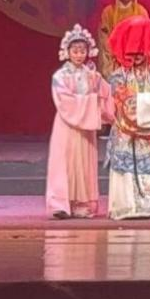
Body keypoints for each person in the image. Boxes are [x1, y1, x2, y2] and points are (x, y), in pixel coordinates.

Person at [105, 15, 150, 220]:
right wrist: (142, 105)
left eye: (139, 52)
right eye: (131, 53)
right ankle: (124, 207)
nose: (135, 58)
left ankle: (146, 206)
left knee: (146, 167)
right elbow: (120, 100)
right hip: (125, 131)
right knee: (125, 167)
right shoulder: (119, 75)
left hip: (148, 132)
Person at [45, 24, 113, 219]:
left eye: (82, 51)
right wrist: (92, 103)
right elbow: (64, 101)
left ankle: (83, 204)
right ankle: (61, 204)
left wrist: (112, 111)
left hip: (86, 129)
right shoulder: (60, 77)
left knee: (84, 164)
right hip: (67, 125)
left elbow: (108, 94)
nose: (79, 55)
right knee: (65, 163)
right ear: (67, 52)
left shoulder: (93, 76)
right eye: (75, 51)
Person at [98, 0, 149, 77]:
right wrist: (114, 54)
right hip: (114, 59)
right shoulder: (108, 12)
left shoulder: (141, 12)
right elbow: (104, 37)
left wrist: (136, 55)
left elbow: (146, 37)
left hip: (134, 59)